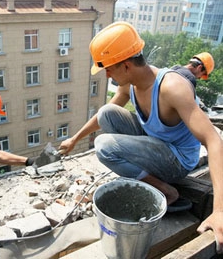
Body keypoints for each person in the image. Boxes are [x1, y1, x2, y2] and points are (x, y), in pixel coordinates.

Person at [59, 21, 223, 252]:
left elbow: (214, 141)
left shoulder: (172, 88)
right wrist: (74, 139)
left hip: (176, 160)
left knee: (104, 146)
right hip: (156, 145)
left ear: (126, 66)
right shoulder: (130, 84)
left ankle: (167, 190)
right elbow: (101, 117)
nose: (107, 75)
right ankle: (146, 175)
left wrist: (219, 212)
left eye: (108, 68)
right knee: (107, 113)